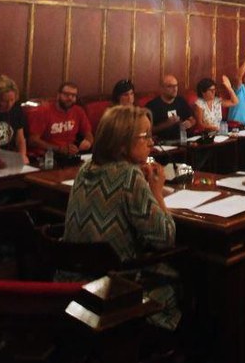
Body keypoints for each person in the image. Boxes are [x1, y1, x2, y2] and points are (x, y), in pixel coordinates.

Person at [62, 105, 179, 330]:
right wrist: (156, 192)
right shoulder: (128, 175)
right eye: (145, 136)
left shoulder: (85, 168)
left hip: (76, 281)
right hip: (116, 288)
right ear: (122, 143)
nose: (151, 142)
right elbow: (165, 238)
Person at [28, 81, 94, 160]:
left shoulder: (78, 111)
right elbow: (33, 141)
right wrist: (59, 149)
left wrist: (88, 141)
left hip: (70, 154)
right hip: (48, 155)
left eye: (73, 95)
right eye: (66, 94)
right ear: (58, 95)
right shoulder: (43, 111)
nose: (70, 98)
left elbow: (88, 133)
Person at [146, 75, 195, 142]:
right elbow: (148, 131)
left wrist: (190, 123)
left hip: (183, 139)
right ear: (162, 88)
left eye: (176, 85)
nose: (175, 89)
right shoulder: (152, 105)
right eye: (170, 86)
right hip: (163, 141)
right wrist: (166, 124)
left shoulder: (181, 101)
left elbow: (192, 119)